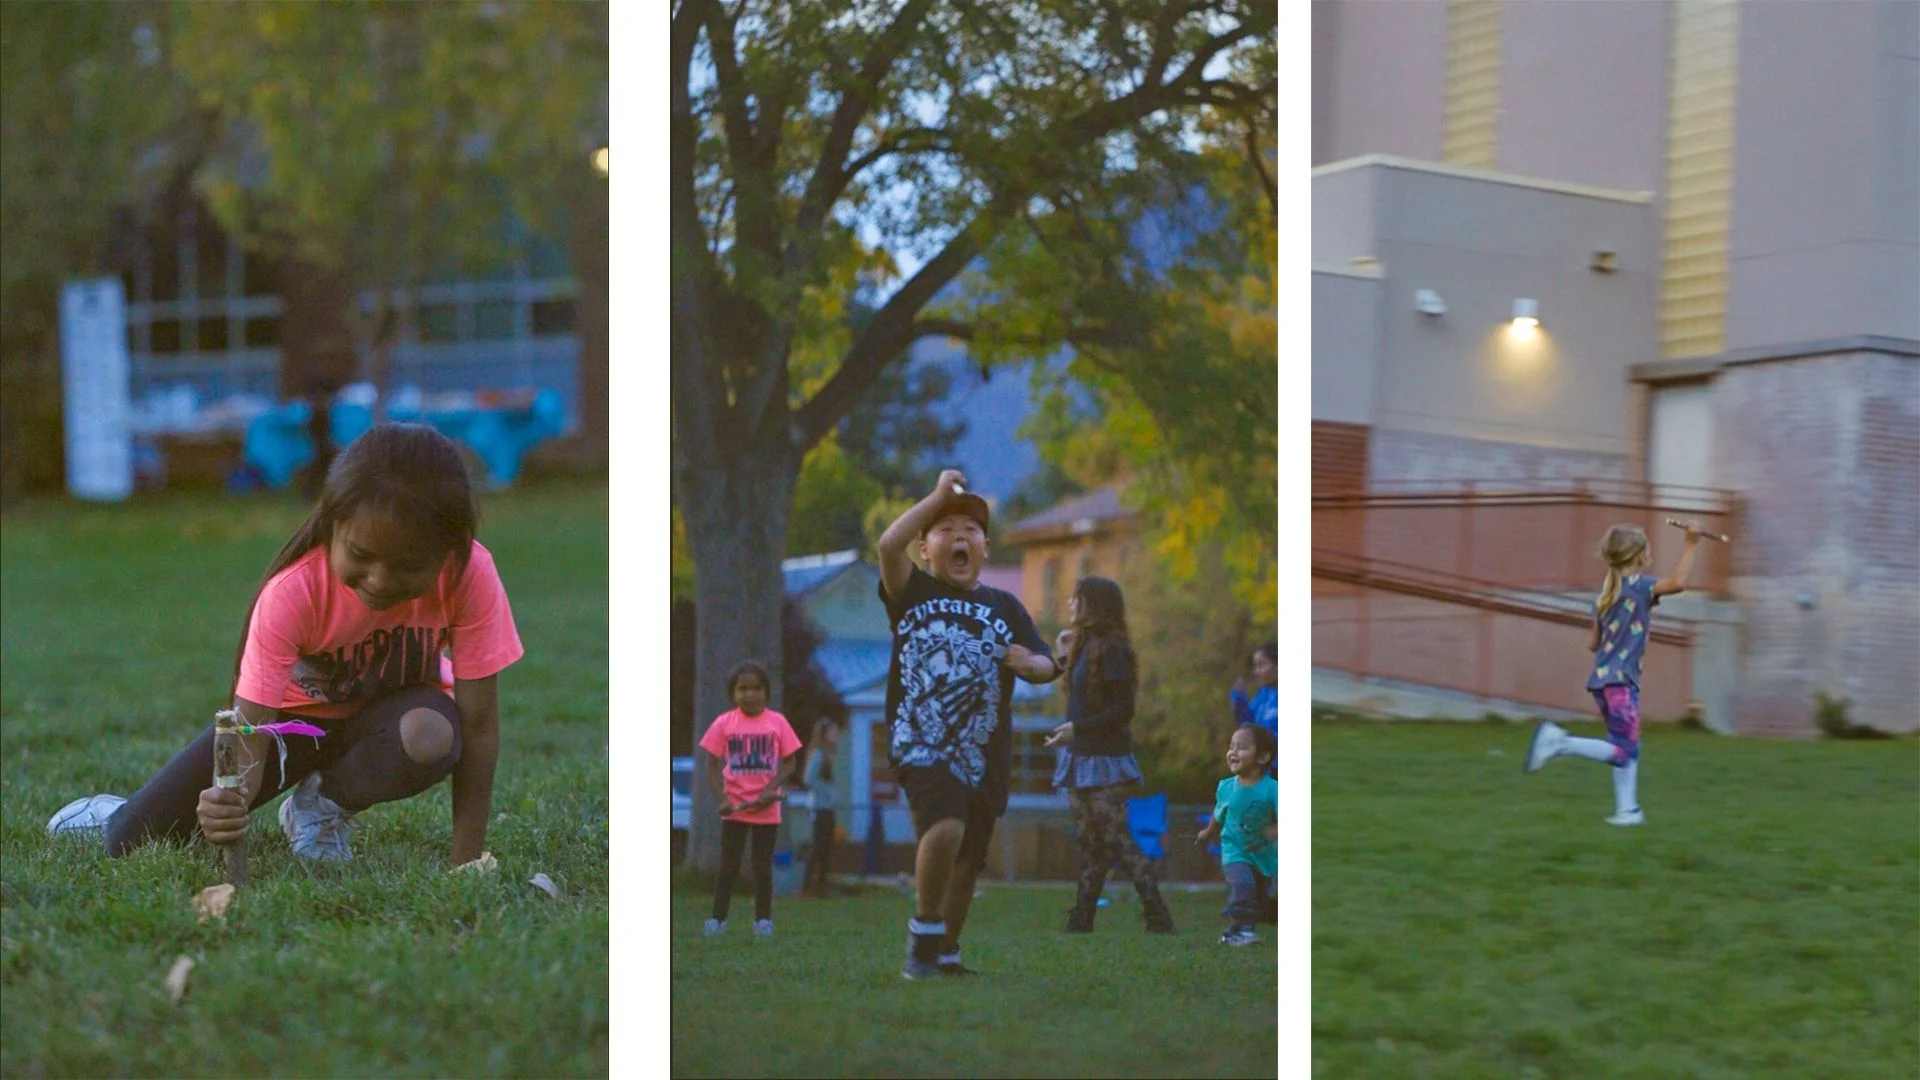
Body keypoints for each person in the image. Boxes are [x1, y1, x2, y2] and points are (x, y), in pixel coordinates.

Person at [48, 423, 523, 870]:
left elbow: (478, 724)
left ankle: (318, 806)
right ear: (332, 526)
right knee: (130, 841)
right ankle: (117, 814)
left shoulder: (469, 574)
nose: (380, 581)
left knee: (433, 733)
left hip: (385, 722)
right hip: (287, 727)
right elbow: (251, 729)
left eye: (408, 565)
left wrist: (467, 860)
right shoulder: (293, 591)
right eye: (360, 555)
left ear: (449, 550)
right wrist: (230, 801)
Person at [877, 469, 1060, 979]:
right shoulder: (911, 591)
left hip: (985, 751)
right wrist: (936, 494)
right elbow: (888, 546)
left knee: (968, 859)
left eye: (971, 530)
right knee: (945, 827)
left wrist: (1035, 666)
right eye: (946, 528)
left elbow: (1046, 663)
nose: (960, 536)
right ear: (926, 547)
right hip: (923, 740)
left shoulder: (1005, 606)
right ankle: (922, 942)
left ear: (984, 547)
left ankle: (946, 952)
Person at [1524, 522, 1703, 826]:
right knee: (1624, 749)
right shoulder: (1640, 586)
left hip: (1604, 681)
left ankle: (1627, 810)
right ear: (1638, 555)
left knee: (1627, 742)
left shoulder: (1605, 596)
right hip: (1621, 682)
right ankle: (1560, 742)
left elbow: (1593, 644)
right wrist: (1691, 544)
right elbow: (1678, 583)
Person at [1042, 576, 1175, 934]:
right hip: (1079, 756)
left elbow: (1122, 710)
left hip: (1105, 760)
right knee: (1091, 845)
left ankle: (1158, 916)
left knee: (1118, 840)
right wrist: (1068, 733)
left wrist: (1078, 729)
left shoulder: (1114, 649)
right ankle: (1081, 920)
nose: (1070, 604)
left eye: (1077, 598)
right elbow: (1080, 701)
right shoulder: (1083, 646)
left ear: (1094, 604)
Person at [699, 660, 803, 938]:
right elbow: (710, 764)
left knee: (762, 866)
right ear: (733, 694)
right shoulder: (724, 723)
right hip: (735, 808)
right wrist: (720, 798)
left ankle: (763, 921)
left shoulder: (777, 722)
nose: (749, 694)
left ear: (766, 692)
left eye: (756, 688)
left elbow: (791, 763)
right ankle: (717, 920)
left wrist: (772, 787)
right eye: (742, 689)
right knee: (728, 866)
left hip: (766, 810)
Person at [1196, 724, 1278, 947]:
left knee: (1258, 897)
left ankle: (1235, 932)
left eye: (1241, 747)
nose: (1233, 752)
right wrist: (1208, 831)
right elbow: (1219, 813)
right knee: (1243, 885)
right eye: (1231, 747)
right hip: (1234, 849)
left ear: (1262, 757)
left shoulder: (1273, 789)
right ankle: (1240, 932)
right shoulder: (1226, 787)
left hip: (1264, 855)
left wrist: (1274, 832)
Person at [801, 716, 841, 898]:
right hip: (819, 808)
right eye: (833, 732)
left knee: (826, 848)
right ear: (825, 734)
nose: (836, 735)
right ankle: (807, 886)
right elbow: (809, 779)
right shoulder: (818, 754)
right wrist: (828, 793)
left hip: (828, 808)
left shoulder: (828, 754)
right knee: (818, 847)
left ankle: (822, 886)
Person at [1231, 641, 1278, 739]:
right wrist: (1240, 699)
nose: (1256, 672)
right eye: (1255, 666)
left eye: (1261, 665)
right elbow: (1249, 727)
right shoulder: (1263, 695)